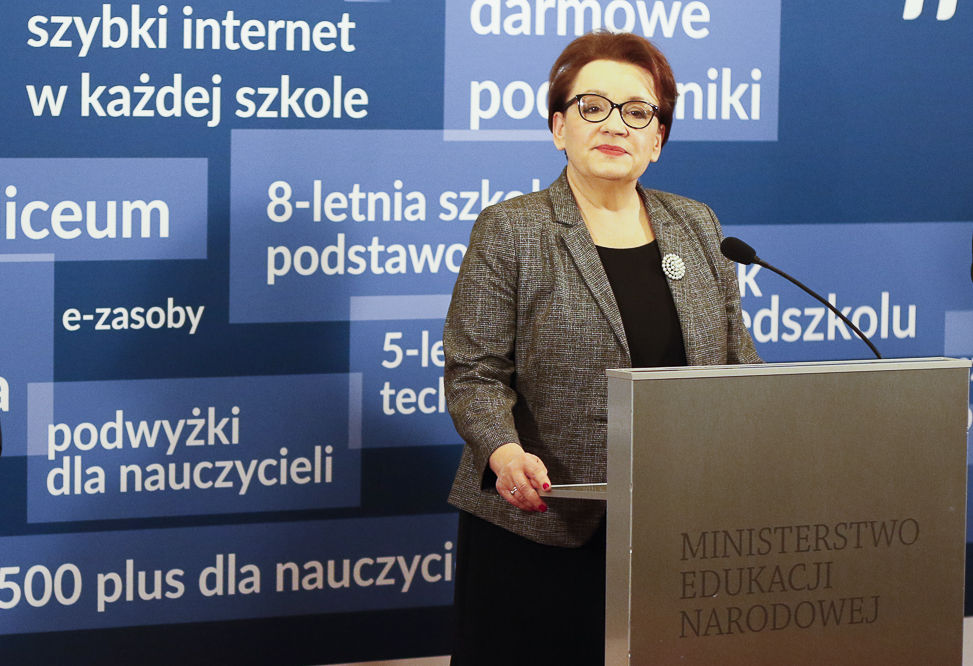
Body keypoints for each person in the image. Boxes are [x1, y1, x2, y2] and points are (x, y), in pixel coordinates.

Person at [443, 30, 761, 665]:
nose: (615, 124)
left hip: (675, 526)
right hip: (543, 522)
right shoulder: (512, 229)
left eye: (637, 111)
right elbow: (474, 374)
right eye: (592, 106)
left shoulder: (698, 225)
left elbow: (737, 363)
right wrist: (505, 453)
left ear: (657, 140)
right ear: (559, 127)